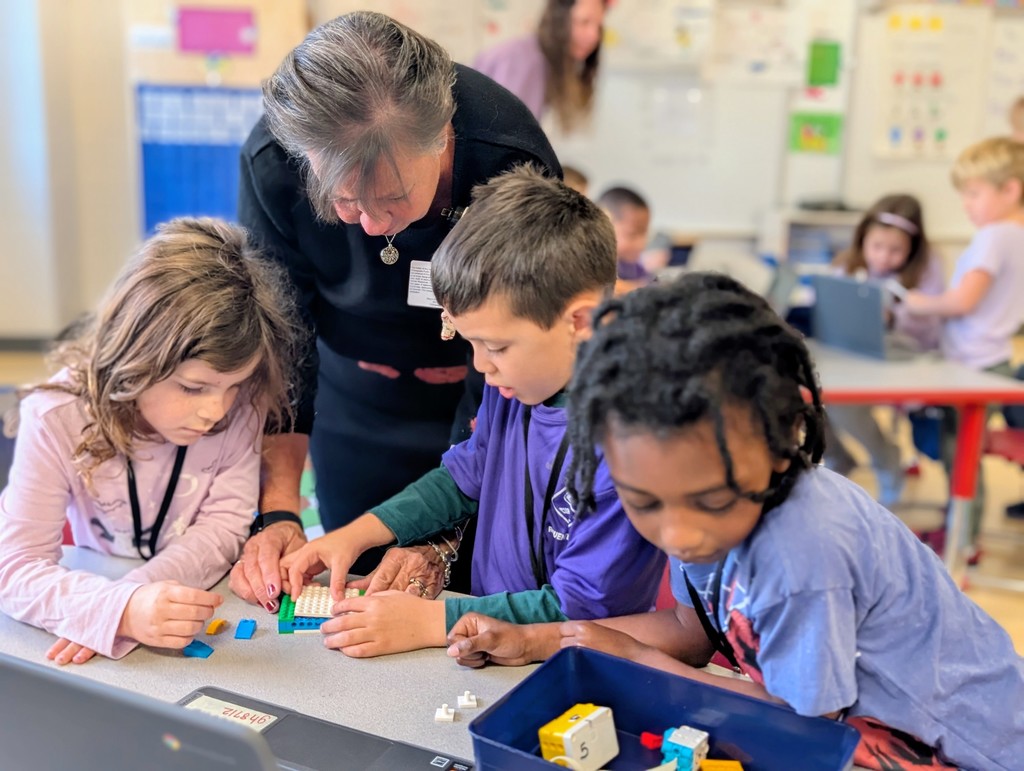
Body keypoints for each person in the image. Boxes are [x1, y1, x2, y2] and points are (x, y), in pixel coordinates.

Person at [444, 274, 1024, 771]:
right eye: (644, 503)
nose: (679, 536)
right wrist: (538, 641)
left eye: (710, 502)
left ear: (784, 435)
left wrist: (641, 661)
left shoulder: (803, 552)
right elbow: (694, 627)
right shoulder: (694, 486)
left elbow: (805, 729)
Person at [231, 11, 561, 611]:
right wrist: (278, 509)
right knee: (347, 589)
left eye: (393, 198)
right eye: (346, 201)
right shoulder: (272, 160)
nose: (375, 226)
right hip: (350, 403)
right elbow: (283, 343)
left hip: (476, 402)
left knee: (456, 600)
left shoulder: (506, 157)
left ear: (442, 139)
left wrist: (438, 540)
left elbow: (518, 349)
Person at [278, 166, 665, 658]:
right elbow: (464, 476)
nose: (480, 366)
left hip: (569, 663)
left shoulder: (630, 446)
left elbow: (581, 610)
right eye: (471, 344)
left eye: (496, 346)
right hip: (484, 643)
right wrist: (354, 535)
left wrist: (433, 621)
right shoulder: (515, 387)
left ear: (580, 321)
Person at [0, 218, 302, 664]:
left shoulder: (243, 405)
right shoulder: (54, 415)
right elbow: (14, 568)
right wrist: (119, 610)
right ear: (135, 360)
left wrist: (130, 602)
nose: (216, 410)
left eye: (233, 386)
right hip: (105, 594)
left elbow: (222, 529)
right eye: (193, 387)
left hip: (173, 606)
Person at [902, 136, 1024, 551]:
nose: (966, 204)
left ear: (1010, 190)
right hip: (989, 358)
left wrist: (918, 303)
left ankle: (963, 540)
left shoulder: (994, 236)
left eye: (974, 193)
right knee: (960, 452)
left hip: (975, 363)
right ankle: (960, 530)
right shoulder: (1016, 234)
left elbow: (964, 301)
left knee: (961, 454)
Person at [823, 194, 944, 507]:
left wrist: (894, 316)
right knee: (806, 394)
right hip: (854, 357)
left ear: (912, 250)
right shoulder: (846, 266)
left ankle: (885, 459)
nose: (883, 257)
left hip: (909, 360)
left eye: (895, 250)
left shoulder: (927, 271)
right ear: (862, 240)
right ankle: (837, 456)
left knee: (842, 402)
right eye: (876, 246)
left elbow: (928, 329)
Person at [473, 0, 606, 133]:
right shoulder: (523, 61)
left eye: (599, 27)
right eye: (584, 22)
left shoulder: (542, 61)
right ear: (558, 19)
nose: (594, 36)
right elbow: (507, 137)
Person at [596, 185, 653, 293]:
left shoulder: (630, 266)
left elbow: (646, 281)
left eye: (644, 233)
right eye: (632, 234)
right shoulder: (587, 264)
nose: (642, 244)